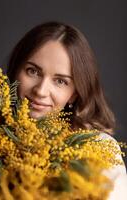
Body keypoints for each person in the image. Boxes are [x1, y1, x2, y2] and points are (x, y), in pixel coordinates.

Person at [7, 21, 127, 199]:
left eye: (60, 81)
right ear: (16, 70)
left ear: (74, 94)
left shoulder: (99, 151)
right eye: (33, 71)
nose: (40, 91)